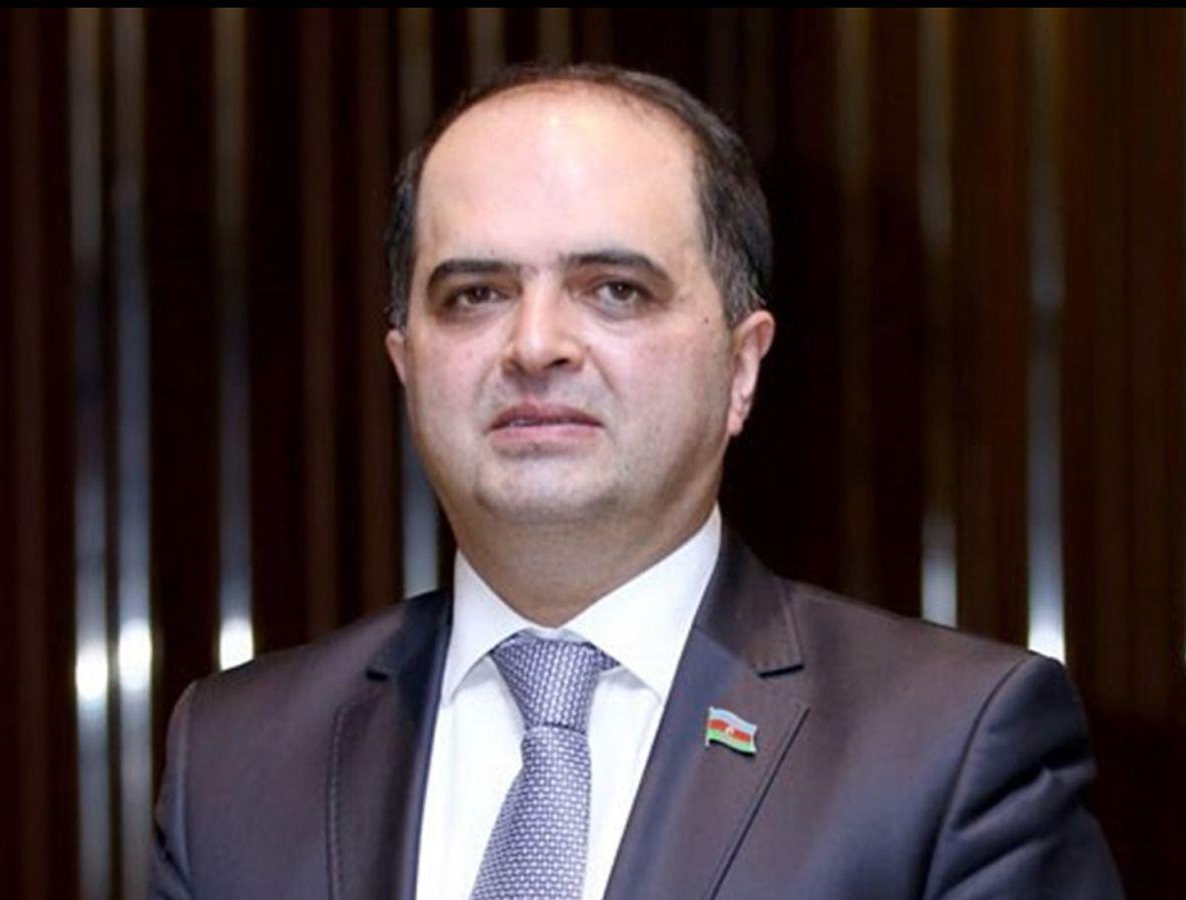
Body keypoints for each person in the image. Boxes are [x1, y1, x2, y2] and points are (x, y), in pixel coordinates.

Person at [151, 64, 1123, 899]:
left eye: (615, 290)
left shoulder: (949, 752)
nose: (535, 344)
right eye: (476, 294)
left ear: (741, 367)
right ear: (407, 365)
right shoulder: (232, 763)